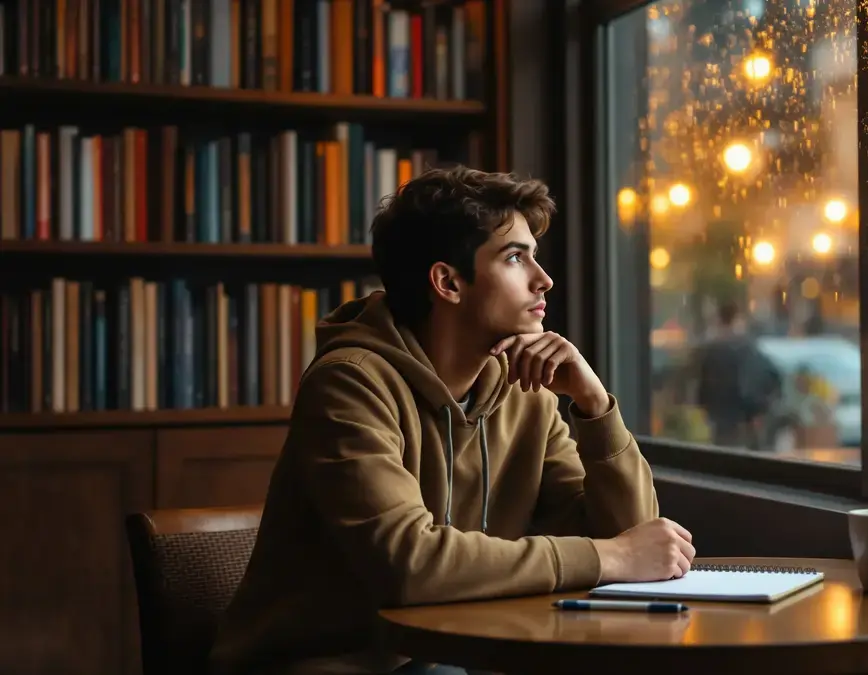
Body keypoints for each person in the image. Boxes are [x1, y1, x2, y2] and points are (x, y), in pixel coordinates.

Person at [210, 168, 695, 675]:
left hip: (463, 652)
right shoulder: (349, 384)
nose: (543, 278)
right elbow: (410, 565)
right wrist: (611, 557)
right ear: (447, 282)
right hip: (331, 662)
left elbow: (634, 542)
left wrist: (594, 407)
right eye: (514, 257)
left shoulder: (524, 392)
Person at [693, 302, 781, 449]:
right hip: (742, 421)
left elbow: (703, 389)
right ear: (737, 319)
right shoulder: (747, 349)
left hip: (720, 420)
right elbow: (769, 378)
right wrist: (758, 409)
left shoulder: (711, 350)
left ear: (719, 320)